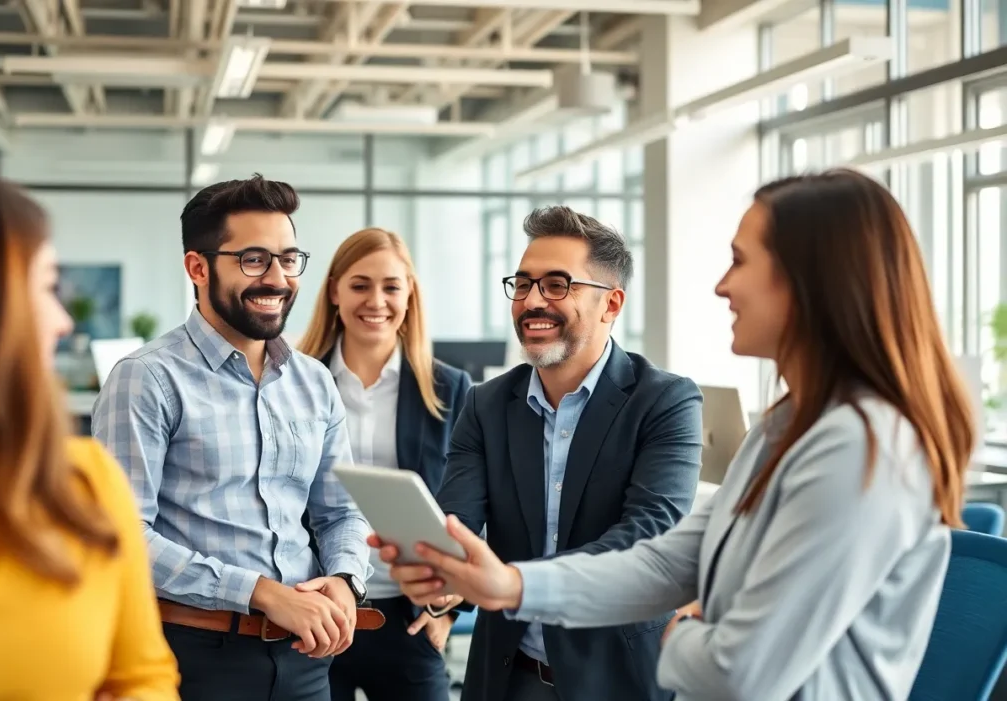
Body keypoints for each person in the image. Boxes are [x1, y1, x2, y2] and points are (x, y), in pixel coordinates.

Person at [379, 169, 974, 701]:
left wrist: (681, 631)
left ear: (807, 283)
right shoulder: (783, 427)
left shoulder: (861, 446)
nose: (722, 286)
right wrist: (506, 583)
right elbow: (672, 563)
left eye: (741, 261)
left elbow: (737, 671)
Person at [92, 175, 376, 701]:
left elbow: (341, 512)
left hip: (306, 660)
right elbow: (123, 538)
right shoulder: (147, 379)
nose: (277, 278)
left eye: (289, 259)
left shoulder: (314, 381)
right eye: (253, 259)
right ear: (198, 268)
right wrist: (260, 593)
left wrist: (344, 578)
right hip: (192, 657)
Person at [405, 206, 704, 701]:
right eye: (522, 285)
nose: (532, 301)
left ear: (611, 304)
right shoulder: (486, 403)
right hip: (507, 676)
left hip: (617, 678)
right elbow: (457, 516)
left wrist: (513, 581)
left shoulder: (665, 401)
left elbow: (646, 539)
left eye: (557, 285)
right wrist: (442, 572)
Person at [0, 173, 180, 700]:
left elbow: (148, 677)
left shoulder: (85, 484)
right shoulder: (147, 376)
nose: (63, 321)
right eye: (46, 287)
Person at [299, 227, 473, 701]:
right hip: (313, 611)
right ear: (334, 290)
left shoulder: (448, 388)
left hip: (406, 616)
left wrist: (451, 611)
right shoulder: (293, 380)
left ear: (409, 294)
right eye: (360, 285)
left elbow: (472, 503)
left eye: (391, 286)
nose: (376, 300)